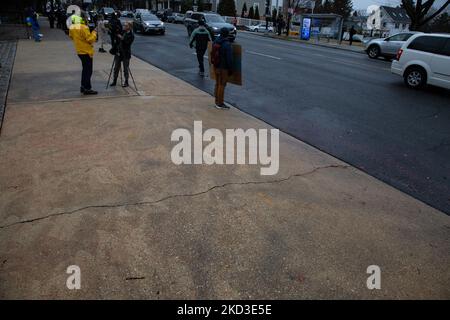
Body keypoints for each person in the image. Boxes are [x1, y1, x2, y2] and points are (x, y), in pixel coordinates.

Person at [69, 11, 98, 95]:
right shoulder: (84, 27)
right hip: (86, 52)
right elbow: (90, 39)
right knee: (88, 71)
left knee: (85, 70)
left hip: (79, 51)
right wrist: (94, 32)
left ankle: (83, 86)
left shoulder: (72, 27)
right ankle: (87, 88)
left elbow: (71, 36)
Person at [211, 28, 233, 110]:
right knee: (222, 85)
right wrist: (230, 69)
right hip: (223, 68)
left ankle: (216, 101)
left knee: (217, 83)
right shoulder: (227, 44)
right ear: (227, 34)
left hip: (216, 65)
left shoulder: (216, 41)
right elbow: (229, 58)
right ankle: (220, 103)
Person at [110, 22, 134, 88]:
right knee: (116, 67)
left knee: (125, 68)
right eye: (124, 25)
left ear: (130, 27)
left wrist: (122, 38)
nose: (124, 26)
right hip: (118, 52)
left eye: (126, 25)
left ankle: (126, 81)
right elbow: (115, 36)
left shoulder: (131, 35)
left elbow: (127, 43)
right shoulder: (122, 32)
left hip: (126, 53)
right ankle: (114, 80)